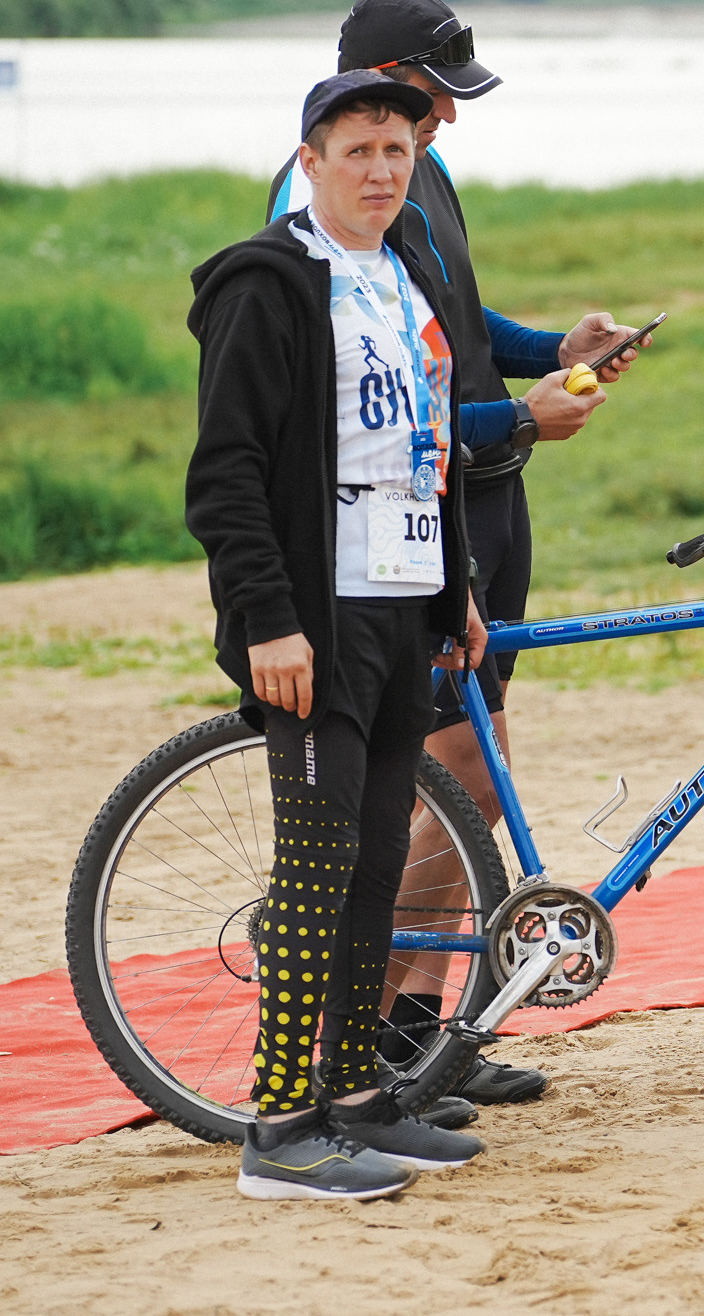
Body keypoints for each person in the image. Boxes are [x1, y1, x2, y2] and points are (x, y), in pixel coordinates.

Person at [267, 0, 647, 1107]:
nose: (438, 129)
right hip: (416, 512)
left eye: (419, 125)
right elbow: (374, 414)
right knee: (456, 779)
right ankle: (382, 1031)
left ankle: (427, 1028)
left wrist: (556, 350)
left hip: (474, 516)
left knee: (468, 778)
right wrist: (524, 417)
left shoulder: (418, 171)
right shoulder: (327, 207)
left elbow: (452, 336)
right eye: (430, 102)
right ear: (373, 93)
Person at [186, 69, 494, 1200]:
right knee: (315, 877)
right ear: (307, 160)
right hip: (314, 614)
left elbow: (430, 445)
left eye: (396, 153)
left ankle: (356, 1094)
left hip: (401, 600)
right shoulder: (267, 283)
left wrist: (453, 586)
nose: (378, 171)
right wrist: (267, 617)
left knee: (375, 867)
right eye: (356, 150)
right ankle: (280, 1129)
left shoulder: (404, 269)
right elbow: (226, 476)